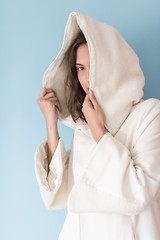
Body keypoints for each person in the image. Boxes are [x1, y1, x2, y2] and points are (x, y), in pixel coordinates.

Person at [34, 11, 160, 240]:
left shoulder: (149, 114)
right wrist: (52, 125)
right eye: (80, 68)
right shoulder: (82, 128)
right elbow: (59, 196)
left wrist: (99, 131)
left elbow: (140, 193)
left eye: (94, 65)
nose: (87, 77)